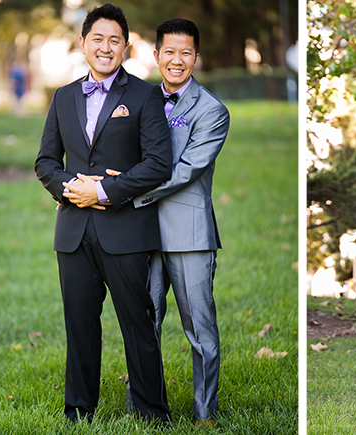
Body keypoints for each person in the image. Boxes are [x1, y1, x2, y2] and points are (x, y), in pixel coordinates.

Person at [34, 3, 172, 424]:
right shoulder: (63, 96)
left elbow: (157, 163)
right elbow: (45, 162)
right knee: (79, 326)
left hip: (125, 229)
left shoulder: (146, 94)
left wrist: (106, 191)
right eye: (98, 39)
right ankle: (78, 411)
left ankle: (152, 413)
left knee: (138, 324)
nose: (105, 47)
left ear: (126, 47)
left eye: (114, 40)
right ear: (83, 43)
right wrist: (71, 188)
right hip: (73, 230)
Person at [127, 18, 230, 426]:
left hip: (188, 233)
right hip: (143, 231)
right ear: (156, 56)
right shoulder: (140, 100)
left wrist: (127, 196)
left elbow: (187, 170)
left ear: (196, 58)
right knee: (144, 324)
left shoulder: (212, 111)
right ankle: (146, 408)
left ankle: (205, 413)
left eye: (185, 52)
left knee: (199, 329)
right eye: (169, 51)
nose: (176, 59)